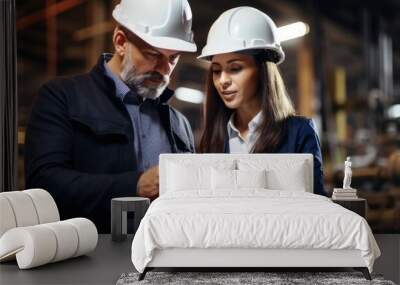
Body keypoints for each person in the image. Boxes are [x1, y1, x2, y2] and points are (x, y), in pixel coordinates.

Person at [24, 0, 197, 233]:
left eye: (173, 58)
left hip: (165, 253)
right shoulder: (62, 98)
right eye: (153, 55)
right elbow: (43, 186)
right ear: (121, 42)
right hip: (89, 256)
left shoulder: (179, 123)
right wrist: (134, 185)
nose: (164, 69)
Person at [198, 7, 325, 196]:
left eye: (235, 68)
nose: (223, 80)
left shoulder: (299, 133)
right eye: (217, 71)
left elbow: (316, 207)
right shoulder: (213, 138)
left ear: (263, 71)